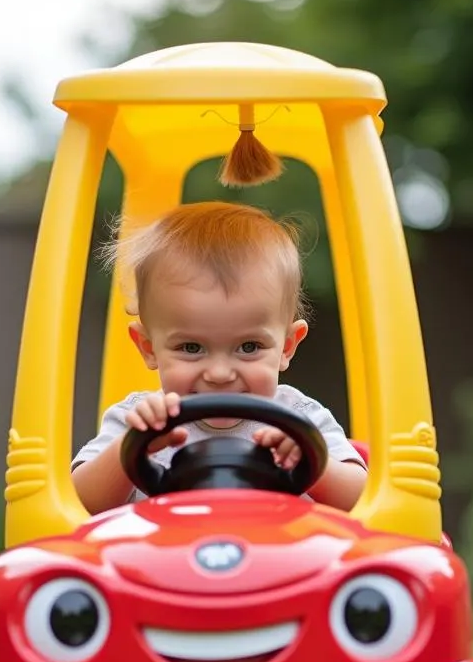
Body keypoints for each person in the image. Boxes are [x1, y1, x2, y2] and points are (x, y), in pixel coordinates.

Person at [70, 200, 367, 514]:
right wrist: (129, 449)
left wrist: (314, 463)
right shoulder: (140, 419)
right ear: (147, 347)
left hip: (281, 559)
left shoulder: (301, 419)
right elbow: (77, 506)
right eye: (191, 348)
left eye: (249, 347)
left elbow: (365, 502)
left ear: (287, 347)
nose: (220, 373)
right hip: (165, 559)